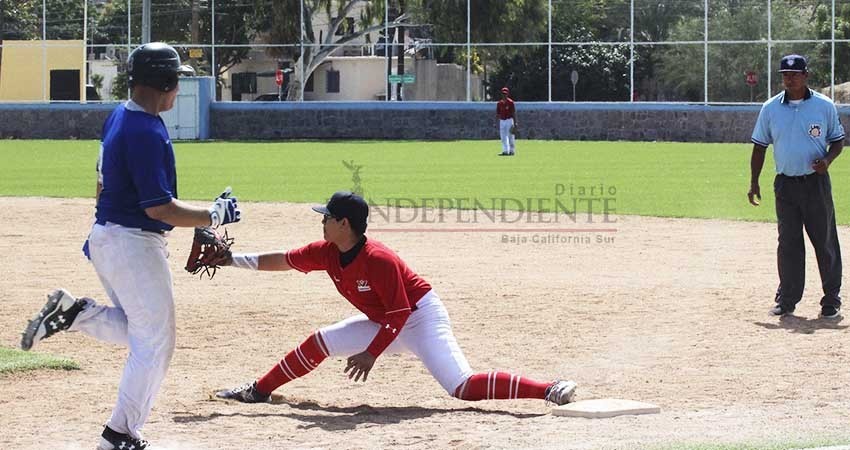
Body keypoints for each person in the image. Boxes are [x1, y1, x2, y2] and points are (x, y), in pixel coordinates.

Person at [19, 42, 242, 450]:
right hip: (132, 242)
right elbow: (159, 208)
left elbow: (102, 183)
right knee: (156, 341)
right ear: (167, 82)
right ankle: (119, 434)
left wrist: (103, 228)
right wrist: (214, 214)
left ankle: (75, 314)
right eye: (177, 81)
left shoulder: (122, 116)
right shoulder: (145, 130)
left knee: (146, 334)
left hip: (113, 237)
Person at [215, 191, 577, 407]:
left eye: (327, 217)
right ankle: (259, 391)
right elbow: (281, 259)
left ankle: (549, 389)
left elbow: (402, 311)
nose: (321, 222)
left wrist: (372, 353)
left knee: (462, 387)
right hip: (384, 320)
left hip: (420, 318)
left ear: (344, 224)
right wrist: (230, 259)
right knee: (320, 342)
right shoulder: (326, 251)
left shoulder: (378, 259)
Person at [748, 54, 844, 319]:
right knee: (788, 242)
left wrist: (827, 160)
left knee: (824, 240)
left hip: (815, 184)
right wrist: (754, 181)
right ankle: (788, 298)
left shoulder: (824, 106)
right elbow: (759, 146)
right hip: (785, 185)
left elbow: (837, 141)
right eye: (785, 75)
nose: (789, 79)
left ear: (806, 75)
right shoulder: (770, 108)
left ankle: (831, 299)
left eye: (794, 74)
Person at [497, 86, 517, 156]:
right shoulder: (499, 103)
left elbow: (513, 113)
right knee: (503, 136)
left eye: (505, 94)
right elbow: (498, 113)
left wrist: (515, 123)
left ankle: (512, 151)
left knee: (510, 136)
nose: (504, 95)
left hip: (509, 120)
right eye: (503, 94)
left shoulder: (511, 102)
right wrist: (497, 122)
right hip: (502, 121)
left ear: (507, 94)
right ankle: (505, 151)